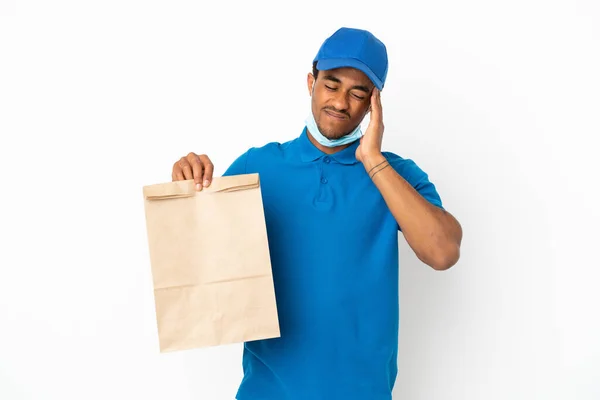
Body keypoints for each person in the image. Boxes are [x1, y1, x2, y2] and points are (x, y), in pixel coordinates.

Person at [171, 27, 463, 400]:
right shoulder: (258, 166)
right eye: (332, 85)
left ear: (374, 104)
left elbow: (443, 253)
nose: (341, 102)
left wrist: (373, 161)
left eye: (358, 93)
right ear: (311, 82)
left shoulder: (397, 176)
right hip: (266, 391)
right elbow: (196, 264)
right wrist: (187, 185)